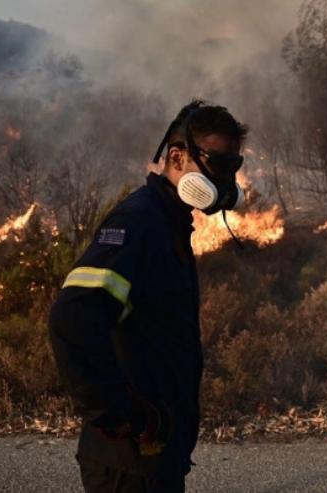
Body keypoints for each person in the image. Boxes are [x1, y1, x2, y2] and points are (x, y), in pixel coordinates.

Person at [48, 100, 249, 492]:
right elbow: (71, 321)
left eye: (231, 167)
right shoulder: (138, 222)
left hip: (157, 455)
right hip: (127, 462)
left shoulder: (169, 223)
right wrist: (122, 416)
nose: (224, 181)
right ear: (176, 157)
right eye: (216, 165)